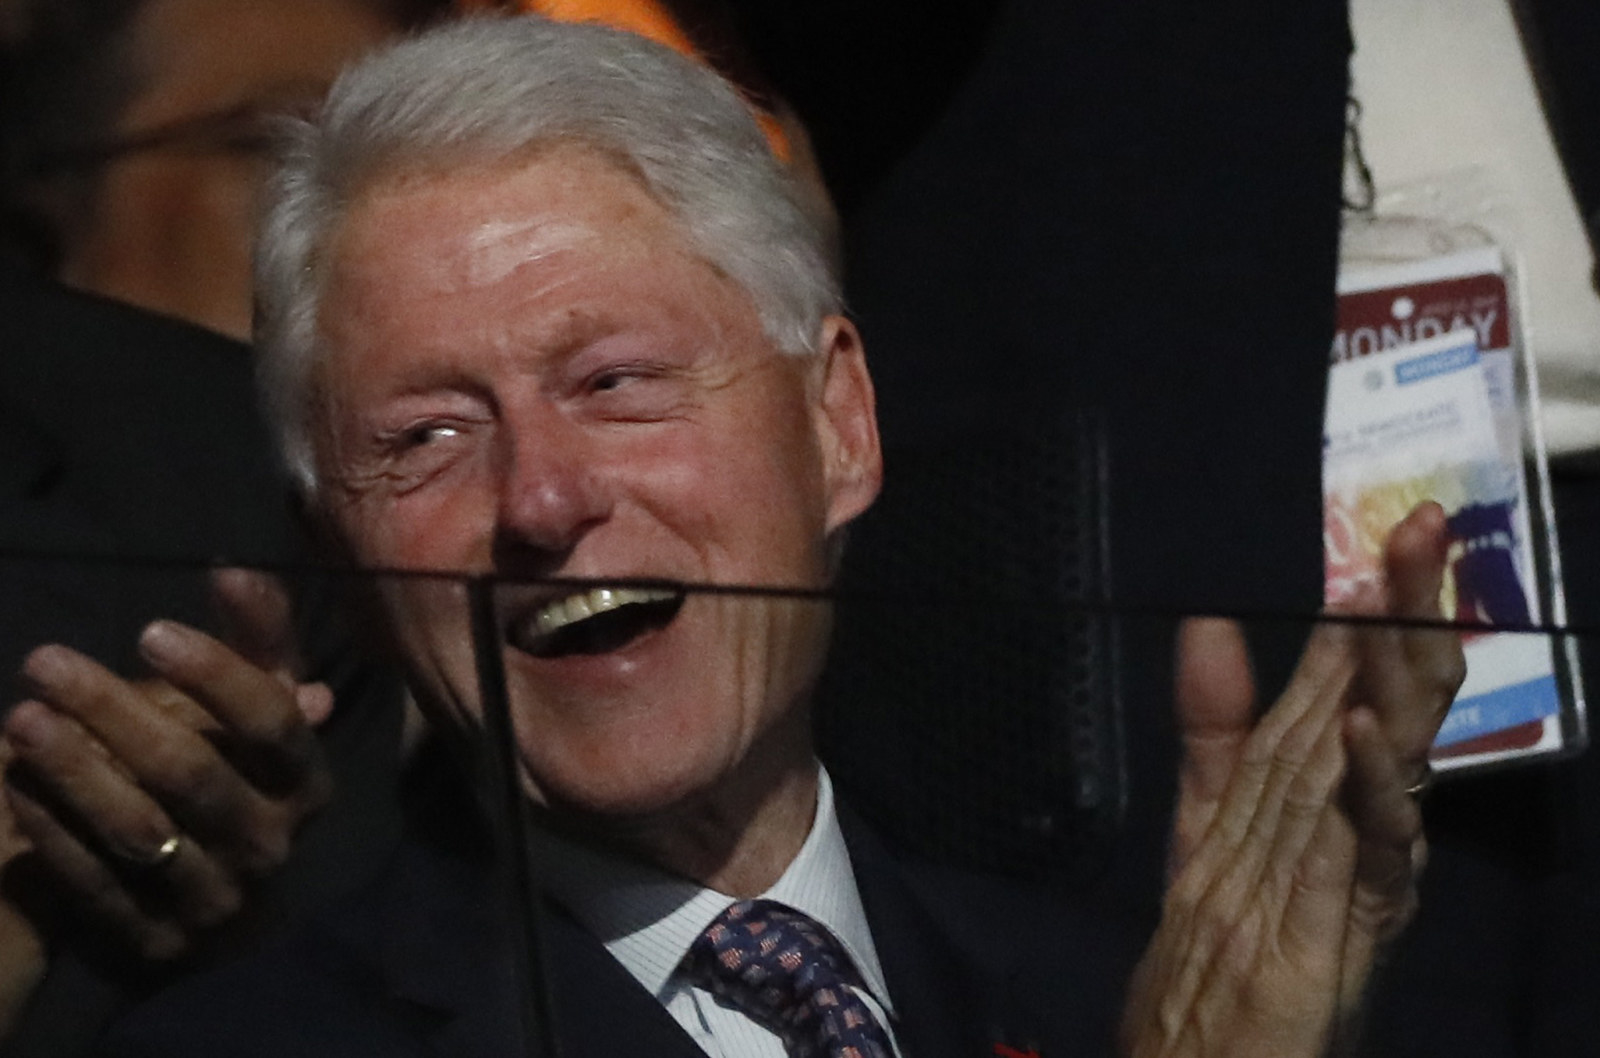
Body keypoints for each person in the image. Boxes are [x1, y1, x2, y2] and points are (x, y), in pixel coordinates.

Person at [85, 16, 1462, 1057]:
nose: (544, 500)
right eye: (427, 435)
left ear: (838, 427)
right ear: (338, 554)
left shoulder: (1131, 997)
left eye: (615, 381)